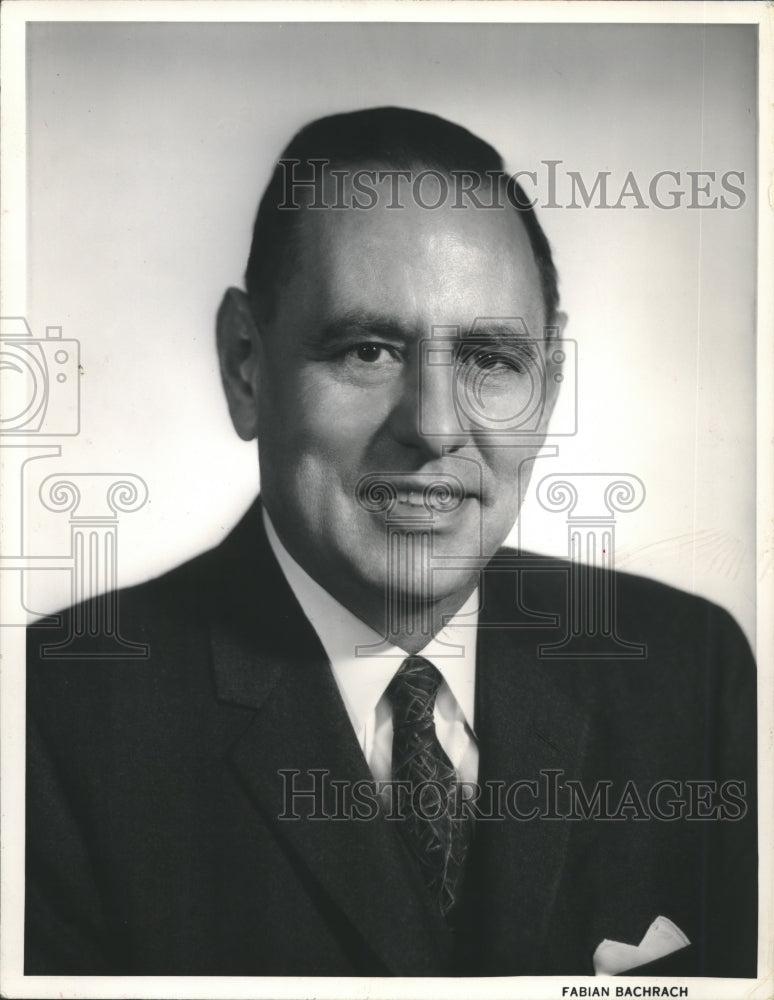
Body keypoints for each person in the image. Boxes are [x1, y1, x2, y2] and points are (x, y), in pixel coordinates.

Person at [25, 107, 757, 977]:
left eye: (491, 359)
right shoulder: (49, 725)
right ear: (245, 366)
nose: (437, 427)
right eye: (369, 350)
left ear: (549, 387)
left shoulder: (690, 673)